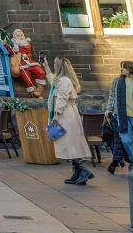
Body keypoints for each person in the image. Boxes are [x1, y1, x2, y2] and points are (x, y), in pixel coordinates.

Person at [49, 57, 93, 185]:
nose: (53, 66)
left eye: (54, 64)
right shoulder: (63, 80)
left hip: (65, 114)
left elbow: (62, 98)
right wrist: (45, 66)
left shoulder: (63, 81)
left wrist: (56, 115)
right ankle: (78, 172)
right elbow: (52, 82)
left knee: (70, 144)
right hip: (68, 113)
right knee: (71, 143)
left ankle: (82, 172)